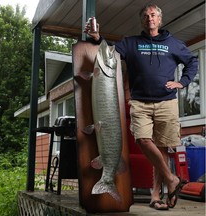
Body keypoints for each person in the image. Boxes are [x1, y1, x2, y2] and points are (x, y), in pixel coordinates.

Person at [84, 4, 198, 211]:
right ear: (142, 21)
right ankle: (172, 180)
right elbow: (109, 53)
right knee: (143, 140)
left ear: (160, 20)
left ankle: (156, 197)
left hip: (167, 101)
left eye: (153, 15)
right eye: (145, 16)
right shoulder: (131, 43)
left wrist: (182, 82)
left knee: (162, 150)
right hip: (140, 102)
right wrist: (97, 37)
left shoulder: (174, 44)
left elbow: (192, 62)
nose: (149, 18)